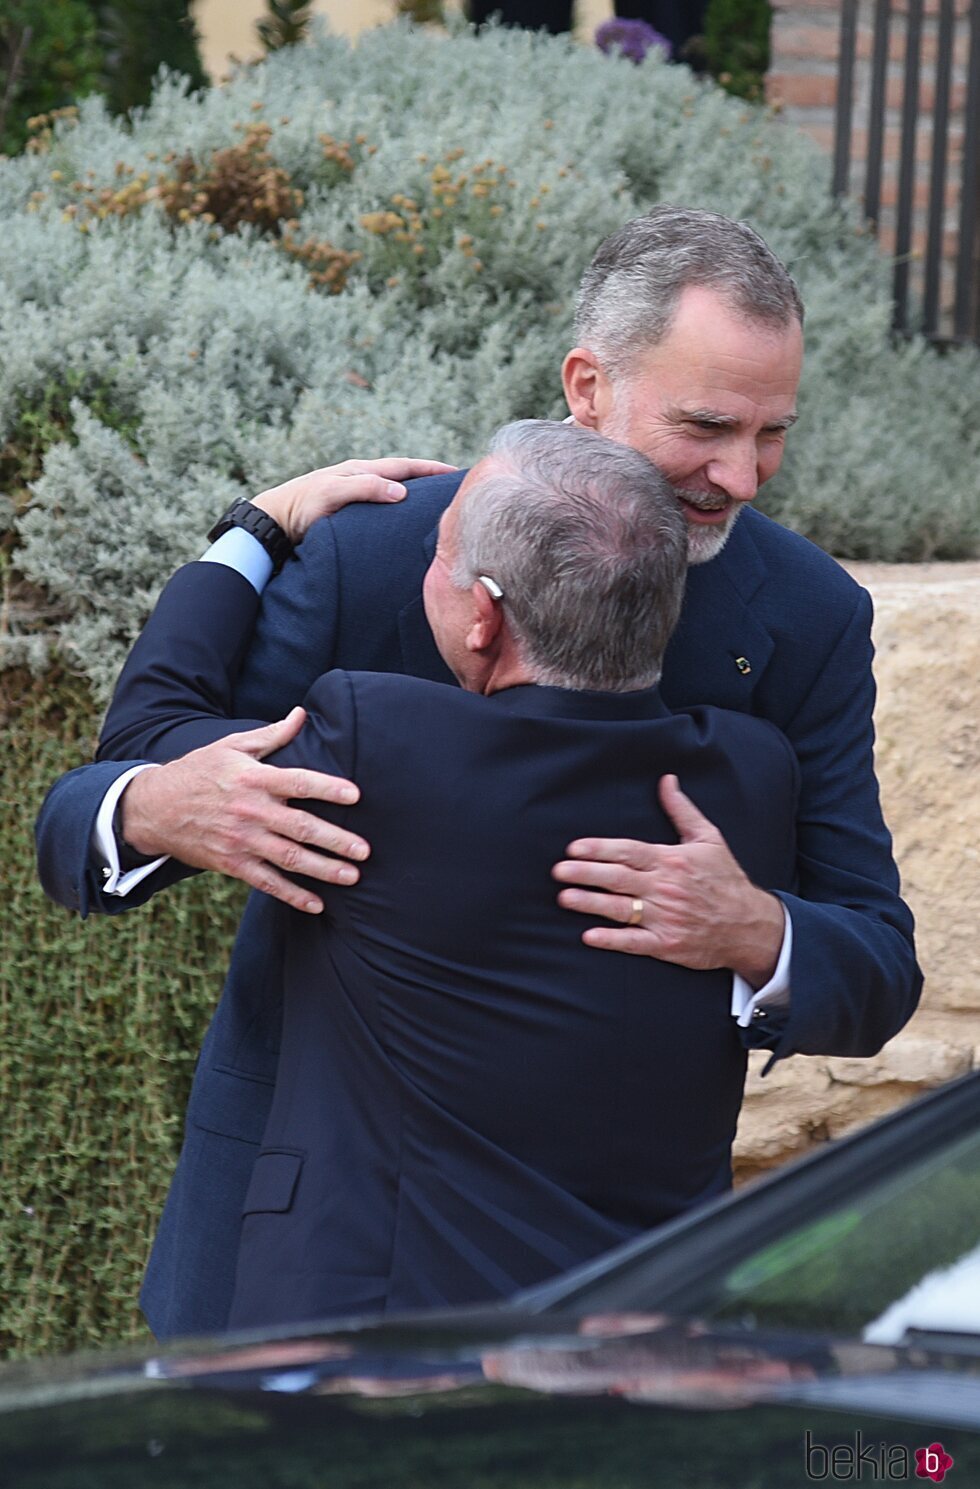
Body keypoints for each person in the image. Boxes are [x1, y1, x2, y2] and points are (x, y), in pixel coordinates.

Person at [36, 206, 922, 1338]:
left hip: (624, 1287)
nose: (739, 476)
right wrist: (161, 809)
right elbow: (111, 799)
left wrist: (759, 932)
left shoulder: (802, 618)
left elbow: (874, 959)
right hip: (294, 1257)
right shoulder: (377, 554)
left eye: (771, 434)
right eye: (705, 425)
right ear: (586, 385)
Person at [101, 420, 800, 1329]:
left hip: (380, 1331)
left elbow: (146, 740)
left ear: (485, 617)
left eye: (439, 557)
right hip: (639, 1329)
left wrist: (260, 525)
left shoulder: (374, 745)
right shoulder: (751, 776)